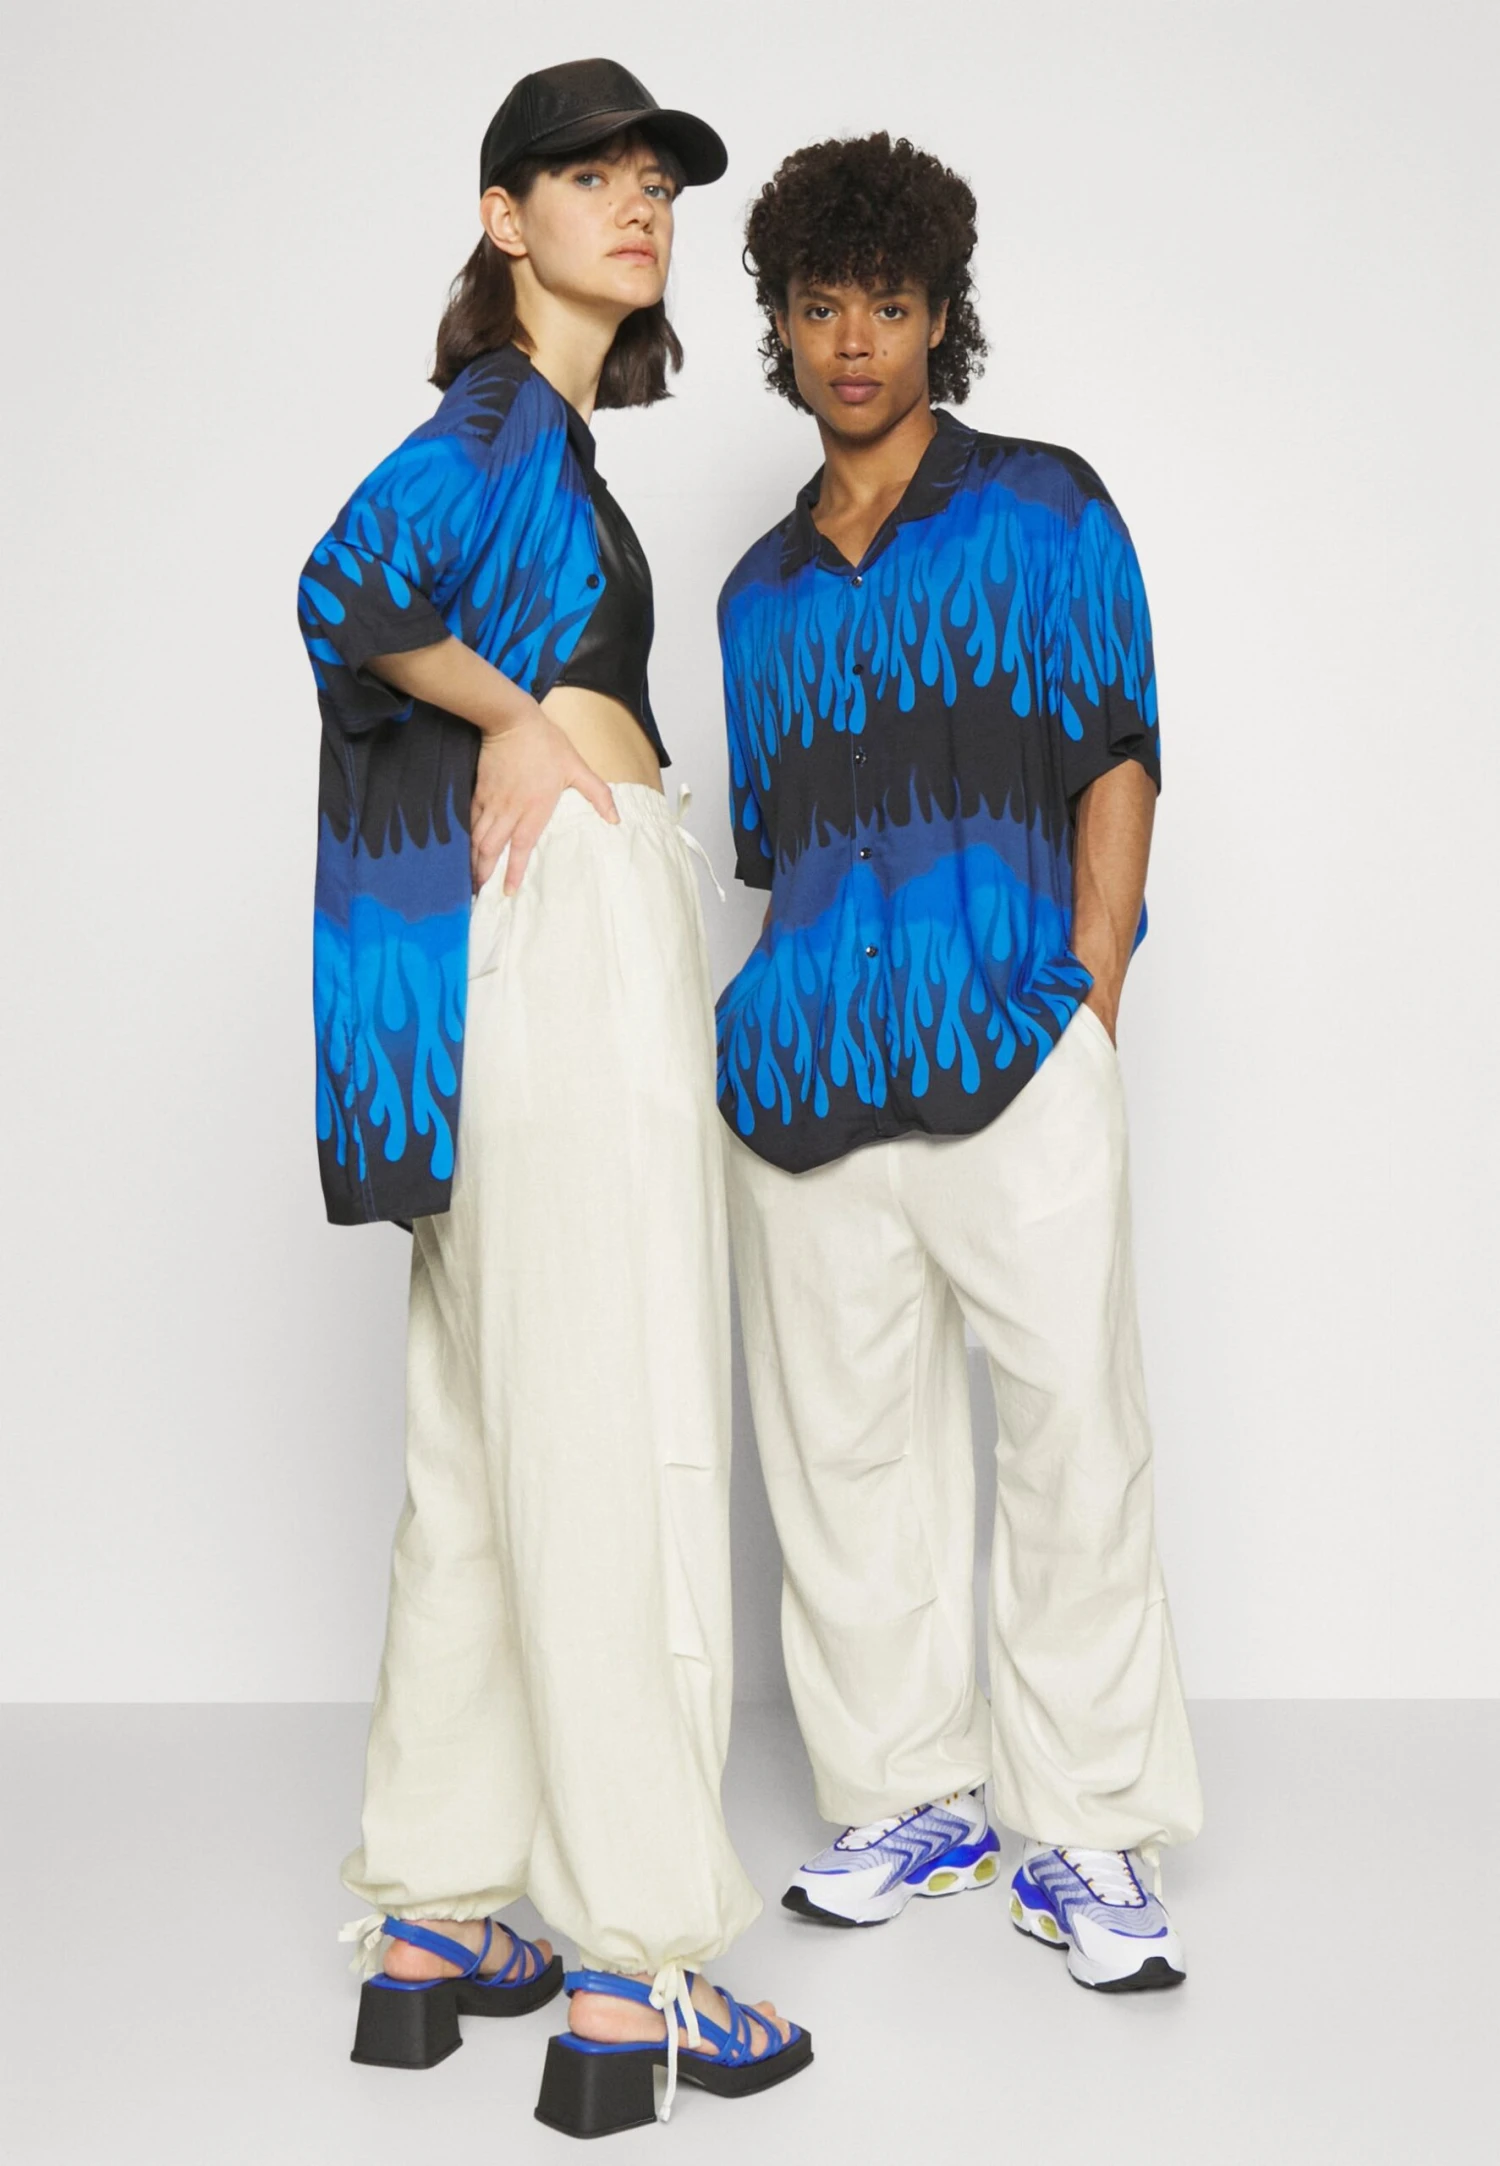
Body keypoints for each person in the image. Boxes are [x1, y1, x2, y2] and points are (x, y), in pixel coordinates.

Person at [297, 59, 810, 2136]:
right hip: (568, 929)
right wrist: (521, 719)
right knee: (618, 1417)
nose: (639, 205)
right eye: (590, 178)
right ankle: (635, 1964)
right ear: (503, 217)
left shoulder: (546, 437)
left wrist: (507, 721)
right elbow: (349, 589)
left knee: (483, 1438)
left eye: (656, 181)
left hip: (476, 976)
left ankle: (434, 1922)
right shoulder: (506, 419)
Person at [715, 131, 1204, 1992]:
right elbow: (773, 846)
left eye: (891, 305)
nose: (856, 341)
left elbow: (1116, 750)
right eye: (821, 306)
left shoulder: (1045, 509)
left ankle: (1084, 1822)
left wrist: (1090, 992)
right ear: (781, 322)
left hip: (1013, 1042)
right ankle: (909, 1794)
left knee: (1075, 1437)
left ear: (942, 317)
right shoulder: (755, 594)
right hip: (806, 1078)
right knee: (844, 1462)